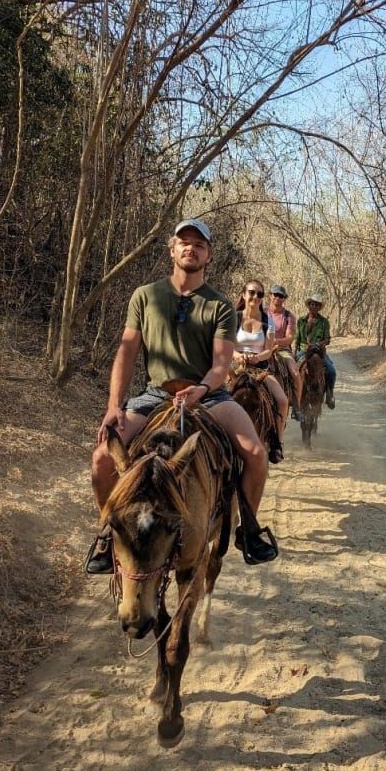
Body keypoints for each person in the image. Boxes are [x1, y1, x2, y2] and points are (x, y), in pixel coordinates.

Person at [85, 219, 278, 573]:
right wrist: (115, 406)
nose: (191, 248)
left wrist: (202, 389)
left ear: (209, 255)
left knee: (254, 452)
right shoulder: (145, 296)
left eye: (199, 245)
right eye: (184, 242)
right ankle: (107, 533)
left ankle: (248, 529)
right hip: (154, 395)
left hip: (210, 397)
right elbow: (127, 353)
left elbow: (221, 363)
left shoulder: (219, 305)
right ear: (172, 249)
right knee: (101, 459)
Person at [232, 279, 289, 462]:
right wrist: (237, 356)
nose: (255, 297)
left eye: (260, 294)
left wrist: (257, 358)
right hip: (235, 369)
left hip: (260, 370)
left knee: (282, 400)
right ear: (243, 294)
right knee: (210, 398)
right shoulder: (234, 318)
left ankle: (277, 443)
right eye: (251, 292)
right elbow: (226, 346)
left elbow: (269, 349)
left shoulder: (268, 321)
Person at [266, 284, 304, 420]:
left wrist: (275, 342)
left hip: (282, 350)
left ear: (284, 298)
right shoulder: (262, 313)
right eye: (275, 294)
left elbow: (289, 338)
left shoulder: (288, 316)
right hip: (262, 349)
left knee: (295, 372)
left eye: (280, 296)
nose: (277, 297)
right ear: (270, 295)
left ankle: (297, 406)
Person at [295, 294, 336, 408]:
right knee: (293, 370)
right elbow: (297, 338)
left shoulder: (324, 322)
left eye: (316, 305)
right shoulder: (301, 321)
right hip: (304, 350)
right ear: (308, 305)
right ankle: (293, 395)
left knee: (331, 370)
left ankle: (329, 394)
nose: (313, 306)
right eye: (311, 304)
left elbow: (327, 339)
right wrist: (295, 353)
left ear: (319, 307)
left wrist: (320, 344)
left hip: (319, 351)